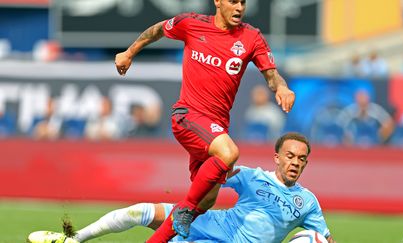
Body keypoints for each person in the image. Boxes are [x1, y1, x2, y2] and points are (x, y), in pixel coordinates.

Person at [114, 0, 295, 241]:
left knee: (206, 200)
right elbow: (158, 29)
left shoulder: (252, 37)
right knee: (228, 153)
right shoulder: (191, 24)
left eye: (243, 2)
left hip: (215, 128)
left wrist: (281, 88)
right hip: (187, 115)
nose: (239, 7)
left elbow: (272, 75)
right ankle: (186, 210)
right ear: (218, 2)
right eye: (233, 1)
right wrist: (129, 52)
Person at [27, 132, 335, 243]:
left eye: (302, 159)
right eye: (290, 156)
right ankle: (73, 240)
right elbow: (214, 171)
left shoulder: (306, 202)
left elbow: (325, 240)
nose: (295, 162)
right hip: (209, 223)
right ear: (278, 157)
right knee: (139, 211)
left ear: (306, 164)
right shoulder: (253, 177)